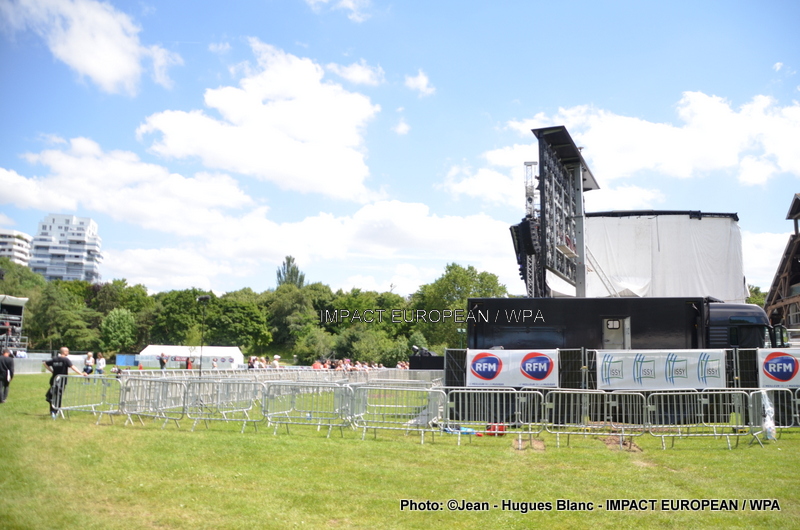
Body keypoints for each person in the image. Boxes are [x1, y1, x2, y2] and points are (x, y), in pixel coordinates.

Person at [43, 347, 86, 417]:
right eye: (67, 351)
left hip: (54, 379)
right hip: (61, 380)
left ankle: (52, 410)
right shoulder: (65, 359)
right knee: (58, 396)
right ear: (64, 352)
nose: (68, 352)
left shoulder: (54, 359)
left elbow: (45, 363)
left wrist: (51, 371)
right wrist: (81, 373)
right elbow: (72, 367)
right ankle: (56, 410)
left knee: (53, 395)